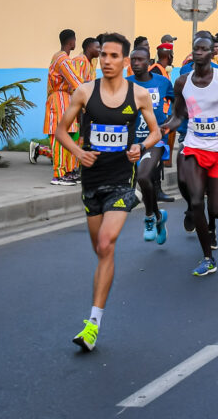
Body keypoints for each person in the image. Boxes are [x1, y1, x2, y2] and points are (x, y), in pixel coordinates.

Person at [56, 33, 160, 351]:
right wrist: (78, 151)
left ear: (125, 61)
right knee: (102, 252)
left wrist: (139, 146)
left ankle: (93, 323)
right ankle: (95, 317)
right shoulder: (86, 92)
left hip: (121, 180)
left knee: (106, 242)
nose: (107, 61)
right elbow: (61, 130)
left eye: (114, 56)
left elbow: (156, 131)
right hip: (92, 181)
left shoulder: (139, 95)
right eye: (103, 55)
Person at [161, 33, 218, 276]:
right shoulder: (182, 82)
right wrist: (167, 126)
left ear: (212, 53)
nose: (198, 53)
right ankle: (207, 257)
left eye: (204, 49)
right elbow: (179, 115)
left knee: (217, 211)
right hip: (194, 145)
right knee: (195, 202)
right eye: (195, 49)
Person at [127, 47, 175, 244]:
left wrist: (169, 122)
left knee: (145, 176)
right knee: (143, 182)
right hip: (132, 140)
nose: (136, 63)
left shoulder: (162, 82)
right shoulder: (125, 84)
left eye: (140, 60)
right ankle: (157, 215)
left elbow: (176, 102)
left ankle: (148, 217)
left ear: (149, 62)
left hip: (155, 139)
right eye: (133, 60)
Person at [43, 29, 85, 186]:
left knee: (69, 137)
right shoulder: (63, 59)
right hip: (60, 99)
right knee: (60, 137)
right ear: (71, 41)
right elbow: (75, 81)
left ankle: (66, 172)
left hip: (64, 100)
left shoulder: (60, 57)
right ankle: (58, 174)